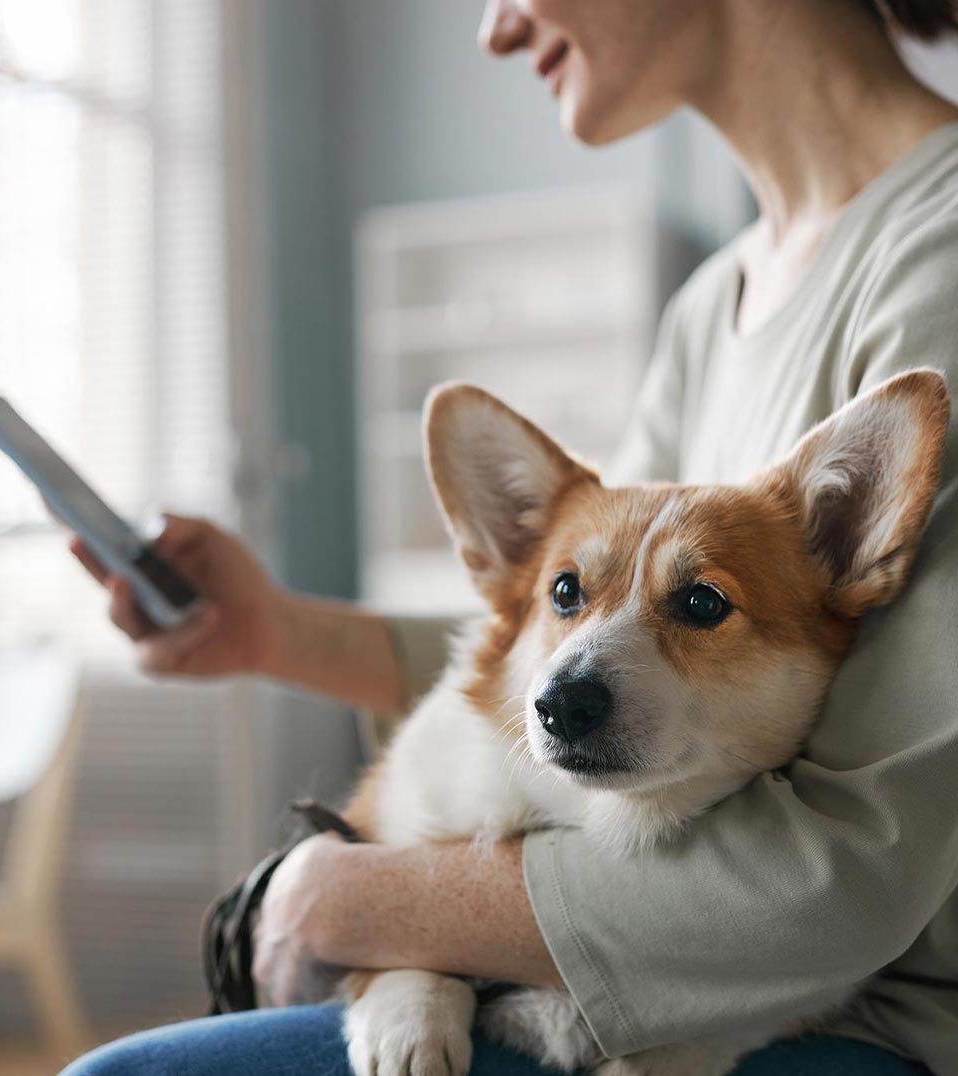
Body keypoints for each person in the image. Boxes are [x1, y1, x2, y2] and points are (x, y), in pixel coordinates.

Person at [61, 1, 958, 1073]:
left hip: (842, 1025)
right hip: (608, 967)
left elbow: (852, 873)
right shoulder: (714, 299)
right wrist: (273, 629)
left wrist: (362, 895)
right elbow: (556, 624)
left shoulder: (938, 264)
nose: (491, 27)